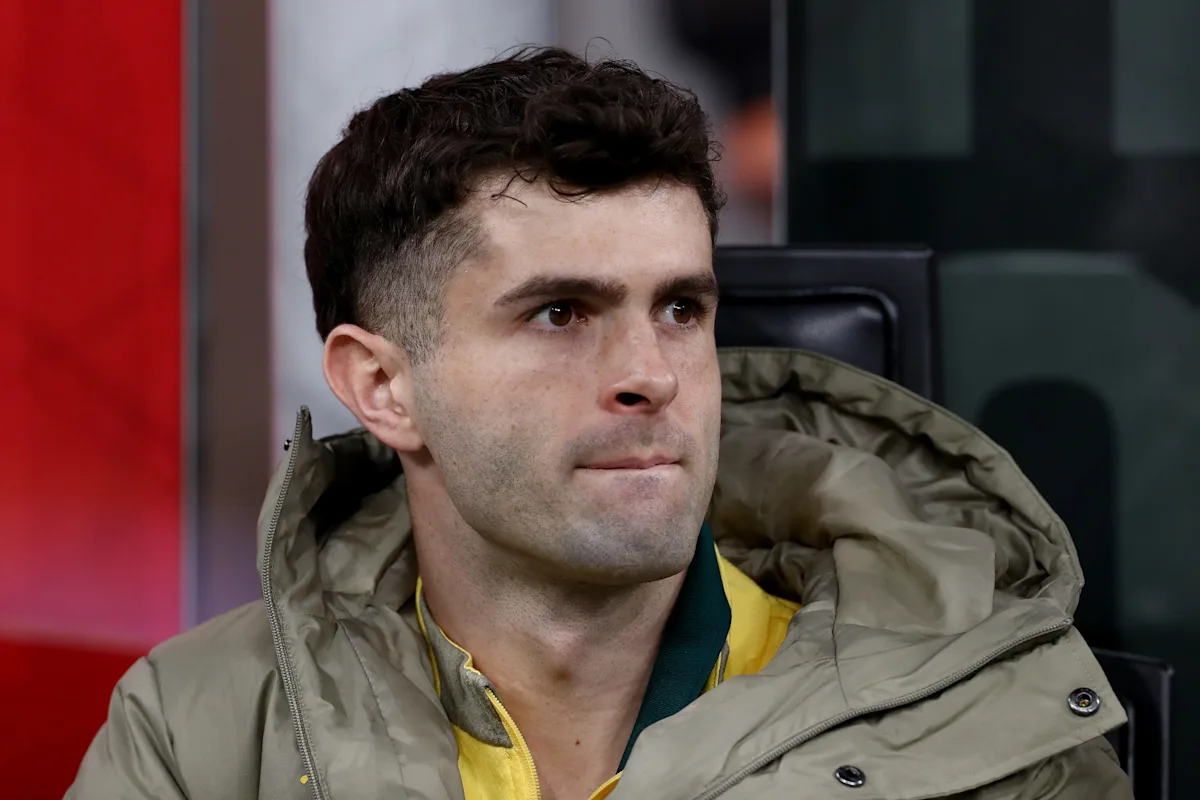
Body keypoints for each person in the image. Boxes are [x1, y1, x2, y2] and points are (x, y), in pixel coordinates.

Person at [69, 47, 1133, 800]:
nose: (650, 374)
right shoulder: (198, 730)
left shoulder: (988, 731)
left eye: (681, 308)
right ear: (384, 387)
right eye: (561, 313)